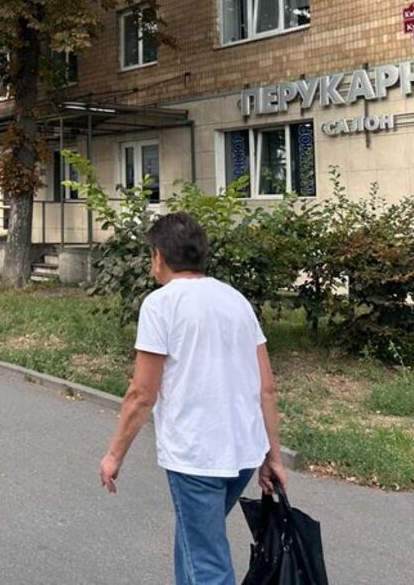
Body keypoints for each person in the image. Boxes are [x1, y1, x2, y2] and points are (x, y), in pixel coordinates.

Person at [99, 212, 286, 585]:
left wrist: (114, 455)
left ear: (158, 256)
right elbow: (266, 387)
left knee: (206, 562)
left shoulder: (161, 304)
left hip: (197, 456)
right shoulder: (236, 300)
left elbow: (141, 394)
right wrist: (273, 457)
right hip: (244, 453)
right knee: (195, 540)